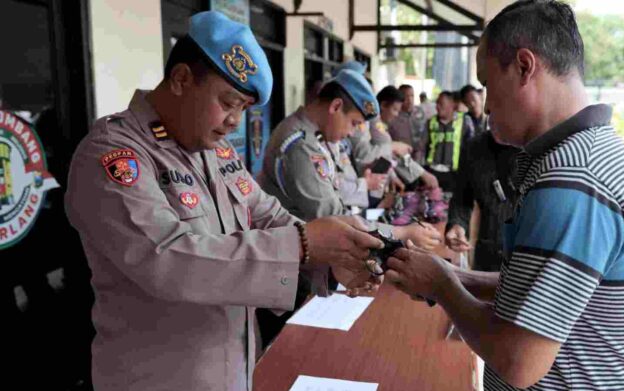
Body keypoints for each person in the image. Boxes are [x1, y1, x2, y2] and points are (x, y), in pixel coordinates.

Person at [64, 11, 383, 391]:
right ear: (182, 79)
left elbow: (269, 216)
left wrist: (328, 262)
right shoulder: (114, 155)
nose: (235, 121)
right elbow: (166, 257)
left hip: (233, 371)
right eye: (229, 102)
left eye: (244, 109)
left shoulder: (213, 151)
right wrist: (302, 245)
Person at [384, 1, 624, 390]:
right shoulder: (594, 153)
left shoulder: (572, 180)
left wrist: (442, 287)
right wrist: (457, 276)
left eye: (486, 84)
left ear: (523, 67)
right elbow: (543, 285)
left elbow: (519, 361)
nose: (485, 104)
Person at [259, 71, 440, 249]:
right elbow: (336, 220)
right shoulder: (301, 146)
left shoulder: (317, 136)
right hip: (295, 254)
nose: (352, 133)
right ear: (336, 106)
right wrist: (402, 233)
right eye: (354, 123)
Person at [445, 127, 519, 272]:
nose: (492, 120)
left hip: (526, 258)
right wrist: (457, 224)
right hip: (487, 253)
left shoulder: (540, 150)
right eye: (490, 111)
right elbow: (462, 196)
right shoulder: (474, 148)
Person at [349, 86, 438, 199]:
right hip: (361, 187)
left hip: (376, 185)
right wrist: (393, 147)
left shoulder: (377, 121)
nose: (396, 114)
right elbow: (365, 153)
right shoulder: (369, 119)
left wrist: (392, 175)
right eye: (394, 110)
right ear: (383, 105)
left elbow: (387, 155)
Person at [423, 91, 471, 192]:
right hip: (432, 172)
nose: (437, 107)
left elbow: (470, 148)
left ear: (452, 105)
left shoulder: (464, 122)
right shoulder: (430, 122)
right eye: (437, 103)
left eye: (441, 104)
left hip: (454, 174)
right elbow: (422, 147)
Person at [388, 84, 428, 163]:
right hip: (400, 159)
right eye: (406, 96)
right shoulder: (393, 116)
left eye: (412, 96)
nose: (410, 100)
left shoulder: (420, 112)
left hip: (420, 158)